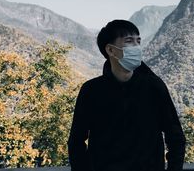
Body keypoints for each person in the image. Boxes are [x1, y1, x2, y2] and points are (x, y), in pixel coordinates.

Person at [68, 20, 186, 171]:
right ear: (111, 50)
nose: (136, 47)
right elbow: (76, 142)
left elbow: (175, 136)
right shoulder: (91, 91)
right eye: (129, 41)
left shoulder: (154, 86)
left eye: (138, 41)